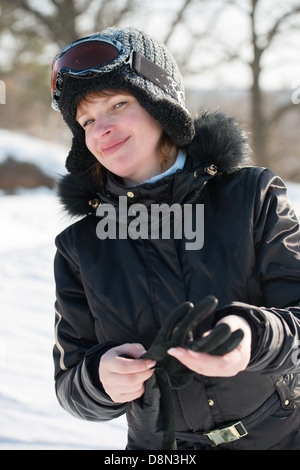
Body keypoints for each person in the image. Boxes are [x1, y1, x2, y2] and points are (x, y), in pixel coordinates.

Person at [52, 26, 300, 450]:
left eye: (118, 104)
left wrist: (252, 337)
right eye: (87, 120)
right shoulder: (80, 246)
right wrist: (100, 380)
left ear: (162, 105)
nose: (102, 128)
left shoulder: (252, 197)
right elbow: (70, 384)